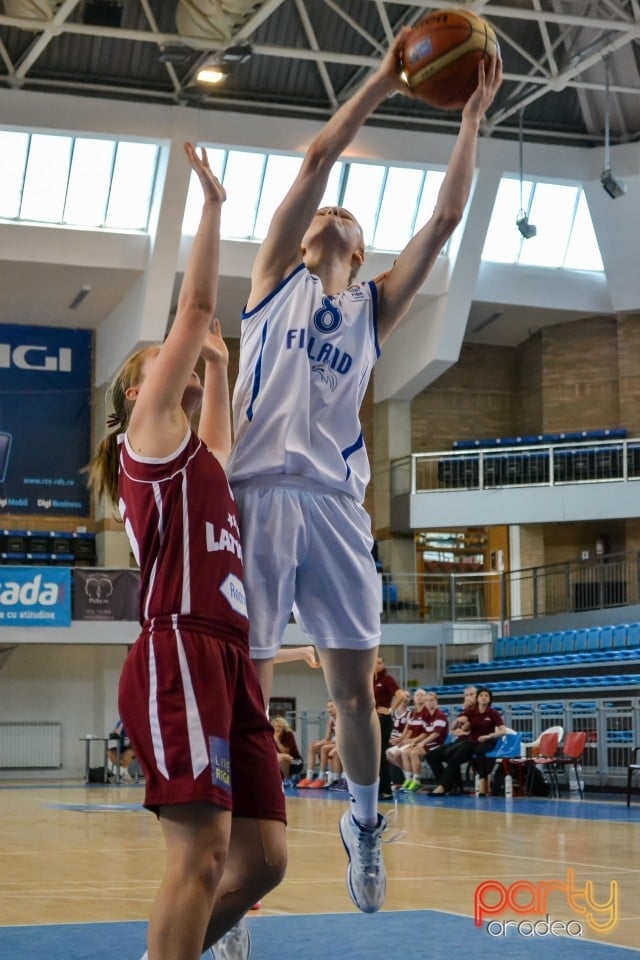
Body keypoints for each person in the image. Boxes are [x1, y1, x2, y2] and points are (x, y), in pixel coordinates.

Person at [226, 26, 502, 914]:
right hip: (260, 498)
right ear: (307, 238)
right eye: (323, 211)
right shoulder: (272, 279)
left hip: (337, 508)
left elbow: (450, 218)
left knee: (352, 694)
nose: (333, 208)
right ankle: (242, 884)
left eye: (346, 212)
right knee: (251, 692)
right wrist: (385, 80)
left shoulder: (372, 309)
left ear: (357, 242)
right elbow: (316, 153)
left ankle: (365, 823)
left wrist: (472, 119)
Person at [87, 143, 287, 960]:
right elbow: (200, 309)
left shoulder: (202, 457)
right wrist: (210, 206)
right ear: (140, 390)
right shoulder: (147, 435)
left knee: (264, 860)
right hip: (178, 648)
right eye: (158, 359)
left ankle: (179, 949)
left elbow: (215, 360)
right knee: (200, 854)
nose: (175, 359)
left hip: (230, 658)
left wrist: (222, 361)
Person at [430, 687, 506, 797]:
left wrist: (489, 736)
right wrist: (458, 721)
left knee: (481, 752)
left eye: (486, 696)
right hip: (472, 741)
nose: (483, 698)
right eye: (481, 696)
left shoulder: (493, 713)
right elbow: (454, 728)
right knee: (453, 759)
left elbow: (503, 730)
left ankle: (482, 783)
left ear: (490, 699)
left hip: (486, 741)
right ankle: (442, 787)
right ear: (477, 698)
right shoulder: (471, 712)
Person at [425, 683, 477, 790]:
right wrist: (462, 727)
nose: (469, 697)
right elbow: (453, 730)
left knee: (452, 757)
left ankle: (444, 786)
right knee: (430, 756)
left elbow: (473, 730)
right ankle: (448, 784)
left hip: (471, 744)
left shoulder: (479, 710)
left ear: (477, 696)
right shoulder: (464, 711)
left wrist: (464, 730)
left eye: (471, 694)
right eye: (466, 695)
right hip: (459, 741)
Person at [373, 655, 403, 800]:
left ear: (383, 664)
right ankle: (376, 789)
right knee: (372, 756)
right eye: (374, 663)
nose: (376, 665)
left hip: (383, 720)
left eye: (379, 663)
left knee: (379, 754)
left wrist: (390, 710)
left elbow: (400, 695)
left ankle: (386, 790)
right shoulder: (369, 680)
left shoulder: (387, 679)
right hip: (371, 721)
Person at [297, 699, 338, 787]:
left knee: (324, 748)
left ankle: (321, 778)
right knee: (312, 747)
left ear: (337, 707)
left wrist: (322, 744)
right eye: (328, 707)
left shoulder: (342, 719)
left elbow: (343, 739)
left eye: (332, 706)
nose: (329, 709)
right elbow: (327, 738)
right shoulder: (331, 719)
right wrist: (319, 742)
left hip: (342, 743)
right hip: (334, 742)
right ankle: (309, 778)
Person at [272, 715, 303, 784]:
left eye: (280, 726)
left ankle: (287, 778)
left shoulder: (288, 734)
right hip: (281, 762)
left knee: (283, 756)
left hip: (296, 761)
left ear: (283, 728)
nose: (277, 729)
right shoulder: (270, 735)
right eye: (275, 726)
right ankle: (285, 777)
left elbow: (285, 752)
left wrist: (276, 740)